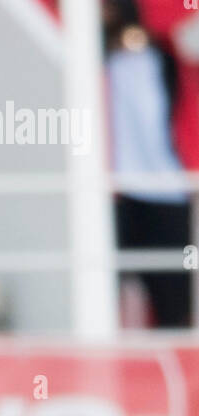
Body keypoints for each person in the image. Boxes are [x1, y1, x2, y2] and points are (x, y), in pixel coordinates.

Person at [104, 0, 193, 326]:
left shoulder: (172, 60)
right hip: (113, 194)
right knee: (100, 295)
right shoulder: (95, 62)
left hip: (169, 194)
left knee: (175, 298)